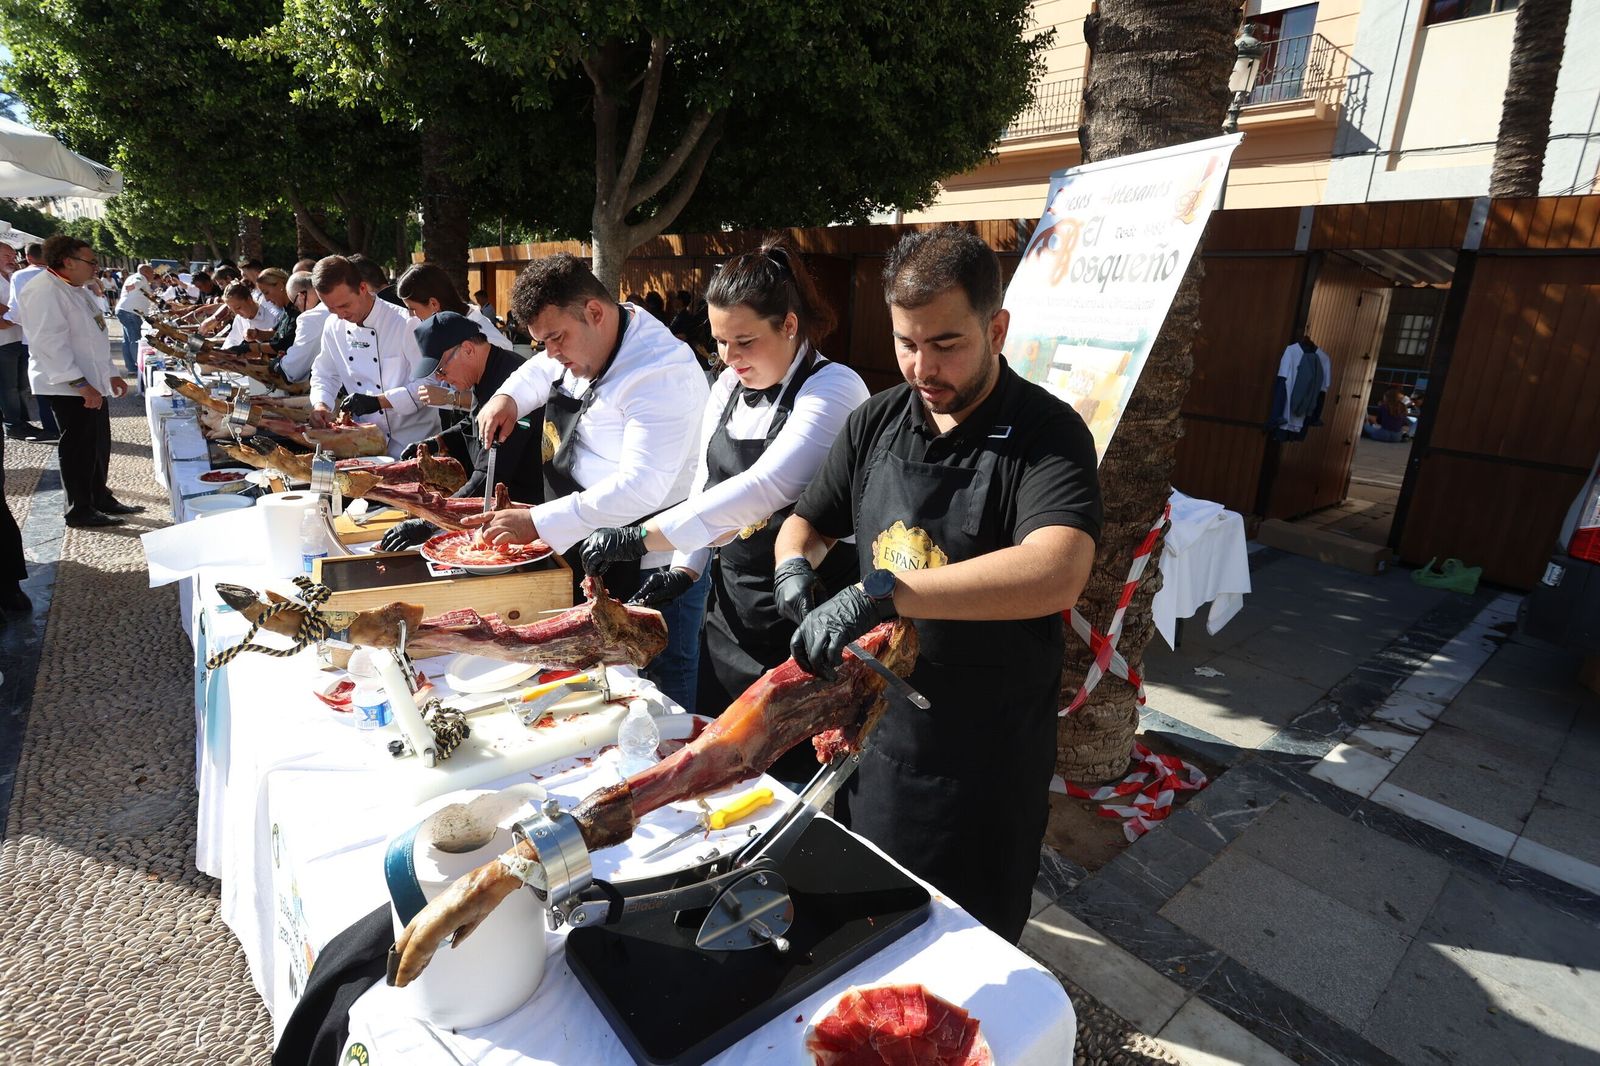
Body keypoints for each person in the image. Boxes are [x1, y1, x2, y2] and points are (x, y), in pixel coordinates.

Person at [775, 228, 1101, 942]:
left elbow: (1058, 568)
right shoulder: (877, 421)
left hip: (986, 761)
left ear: (998, 328)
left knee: (963, 956)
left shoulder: (1048, 432)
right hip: (879, 743)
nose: (923, 366)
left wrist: (880, 592)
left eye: (946, 344)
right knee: (865, 932)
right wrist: (793, 571)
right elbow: (806, 524)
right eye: (905, 342)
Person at [579, 243, 869, 759]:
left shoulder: (836, 388)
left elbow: (765, 487)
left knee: (793, 771)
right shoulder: (727, 388)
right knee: (722, 758)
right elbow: (706, 485)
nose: (730, 359)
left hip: (810, 611)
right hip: (733, 612)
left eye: (745, 342)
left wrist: (640, 536)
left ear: (790, 326)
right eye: (719, 343)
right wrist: (684, 569)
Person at [465, 253, 709, 709]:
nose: (551, 352)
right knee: (598, 679)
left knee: (656, 681)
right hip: (585, 532)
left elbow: (642, 487)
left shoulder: (661, 373)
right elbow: (541, 369)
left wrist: (538, 522)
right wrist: (508, 397)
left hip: (652, 551)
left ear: (595, 312)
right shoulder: (585, 338)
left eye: (556, 338)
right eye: (541, 341)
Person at [379, 312, 543, 551]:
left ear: (467, 349)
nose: (440, 379)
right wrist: (438, 442)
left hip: (529, 512)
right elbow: (473, 422)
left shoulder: (509, 381)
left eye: (442, 370)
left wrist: (430, 521)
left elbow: (489, 475)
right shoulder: (488, 370)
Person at [15, 236, 144, 527]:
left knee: (97, 443)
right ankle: (79, 508)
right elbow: (50, 345)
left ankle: (99, 496)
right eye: (91, 261)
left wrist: (110, 372)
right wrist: (80, 384)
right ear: (68, 261)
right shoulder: (44, 291)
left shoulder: (76, 288)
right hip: (67, 385)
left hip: (91, 380)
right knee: (77, 447)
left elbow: (94, 334)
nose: (96, 267)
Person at [308, 255, 439, 455]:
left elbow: (429, 386)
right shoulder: (333, 326)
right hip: (363, 443)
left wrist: (379, 401)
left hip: (414, 443)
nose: (340, 314)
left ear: (362, 288)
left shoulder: (405, 322)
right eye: (331, 308)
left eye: (345, 306)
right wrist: (321, 405)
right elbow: (325, 374)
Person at [396, 263, 513, 358]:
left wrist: (446, 389)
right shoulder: (445, 330)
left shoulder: (489, 340)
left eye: (413, 309)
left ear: (433, 304)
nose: (411, 315)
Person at [5, 244, 62, 440]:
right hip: (52, 336)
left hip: (33, 338)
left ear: (28, 257)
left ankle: (52, 428)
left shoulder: (20, 276)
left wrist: (12, 318)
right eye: (7, 255)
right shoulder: (57, 273)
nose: (12, 259)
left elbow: (18, 312)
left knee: (42, 385)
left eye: (13, 255)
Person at [272, 271, 330, 383]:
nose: (298, 309)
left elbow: (293, 371)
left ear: (301, 296)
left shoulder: (310, 318)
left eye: (296, 304)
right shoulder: (336, 304)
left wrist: (278, 363)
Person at [113, 264, 157, 376]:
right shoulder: (140, 277)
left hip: (125, 310)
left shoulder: (134, 277)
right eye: (152, 272)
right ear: (146, 272)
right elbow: (136, 283)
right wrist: (132, 286)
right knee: (135, 340)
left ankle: (131, 367)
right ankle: (138, 367)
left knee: (127, 341)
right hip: (130, 312)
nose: (153, 275)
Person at [216, 281, 284, 351]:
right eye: (232, 310)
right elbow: (233, 340)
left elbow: (280, 341)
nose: (236, 313)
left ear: (249, 300)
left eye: (238, 308)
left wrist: (258, 335)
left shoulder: (273, 315)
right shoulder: (240, 318)